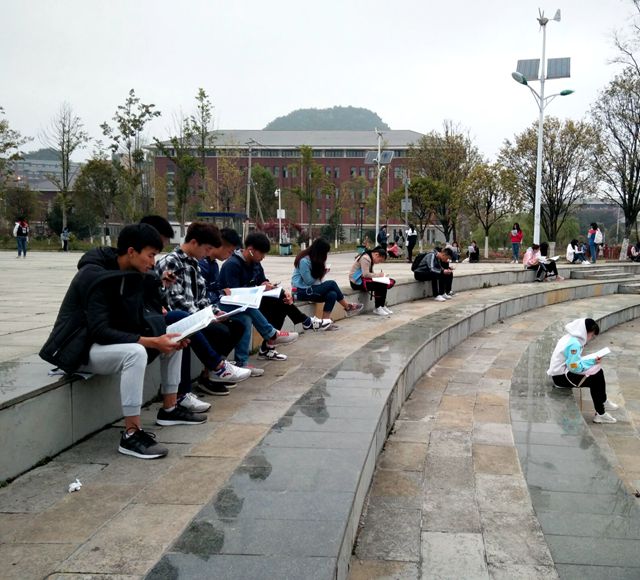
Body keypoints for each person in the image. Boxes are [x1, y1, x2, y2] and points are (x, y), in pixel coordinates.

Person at [40, 223, 206, 460]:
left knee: (173, 337)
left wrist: (161, 337)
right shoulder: (94, 277)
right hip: (79, 348)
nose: (153, 263)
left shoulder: (135, 274)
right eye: (151, 255)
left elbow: (144, 316)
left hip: (107, 343)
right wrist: (151, 342)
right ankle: (131, 434)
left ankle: (169, 409)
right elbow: (99, 331)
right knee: (135, 353)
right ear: (131, 252)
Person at [155, 222, 251, 397]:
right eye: (207, 249)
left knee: (237, 326)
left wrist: (214, 312)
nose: (208, 254)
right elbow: (175, 301)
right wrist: (204, 318)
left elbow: (202, 296)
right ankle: (214, 371)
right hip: (180, 318)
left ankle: (211, 374)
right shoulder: (171, 262)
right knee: (219, 332)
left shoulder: (195, 264)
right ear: (193, 243)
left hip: (196, 316)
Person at [200, 227, 293, 366]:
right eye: (229, 251)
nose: (230, 254)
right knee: (247, 307)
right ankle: (272, 334)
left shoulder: (214, 265)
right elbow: (223, 294)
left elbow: (260, 280)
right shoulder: (228, 264)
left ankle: (242, 363)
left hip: (231, 302)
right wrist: (223, 293)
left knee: (274, 301)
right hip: (220, 305)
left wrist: (266, 285)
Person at [220, 232, 310, 357]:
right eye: (262, 253)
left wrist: (271, 287)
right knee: (247, 315)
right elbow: (235, 294)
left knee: (282, 298)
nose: (263, 257)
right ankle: (296, 325)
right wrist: (260, 288)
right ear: (251, 250)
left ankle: (269, 346)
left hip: (253, 301)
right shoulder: (232, 265)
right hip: (235, 305)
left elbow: (262, 281)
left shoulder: (255, 263)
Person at [547, 318, 619, 424]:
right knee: (595, 379)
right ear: (585, 332)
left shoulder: (570, 337)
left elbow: (573, 362)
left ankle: (603, 401)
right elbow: (573, 366)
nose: (590, 338)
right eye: (591, 335)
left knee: (599, 371)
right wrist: (591, 362)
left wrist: (592, 361)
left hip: (561, 372)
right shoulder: (574, 344)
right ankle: (601, 413)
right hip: (561, 377)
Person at [291, 238, 364, 326]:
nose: (325, 255)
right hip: (301, 292)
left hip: (310, 290)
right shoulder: (304, 261)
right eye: (324, 252)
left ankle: (325, 322)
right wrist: (321, 272)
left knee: (332, 294)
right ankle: (347, 306)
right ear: (319, 251)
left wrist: (322, 272)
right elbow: (309, 281)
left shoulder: (315, 260)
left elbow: (317, 281)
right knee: (332, 283)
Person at [349, 246, 395, 316]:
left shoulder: (370, 258)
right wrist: (379, 275)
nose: (379, 262)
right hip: (356, 282)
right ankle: (378, 307)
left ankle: (382, 305)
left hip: (362, 280)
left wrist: (379, 276)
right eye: (380, 260)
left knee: (384, 283)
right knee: (380, 285)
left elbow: (370, 274)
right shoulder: (365, 258)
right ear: (376, 255)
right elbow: (366, 274)